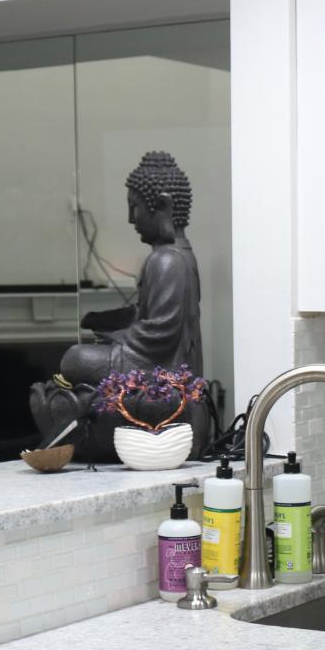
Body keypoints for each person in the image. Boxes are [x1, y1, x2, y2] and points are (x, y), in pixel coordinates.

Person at [31, 151, 205, 456]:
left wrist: (116, 338)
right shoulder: (175, 256)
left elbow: (160, 335)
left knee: (75, 358)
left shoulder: (167, 260)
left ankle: (92, 420)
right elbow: (152, 318)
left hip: (161, 373)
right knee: (82, 358)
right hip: (158, 367)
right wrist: (119, 321)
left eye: (135, 208)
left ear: (161, 205)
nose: (130, 218)